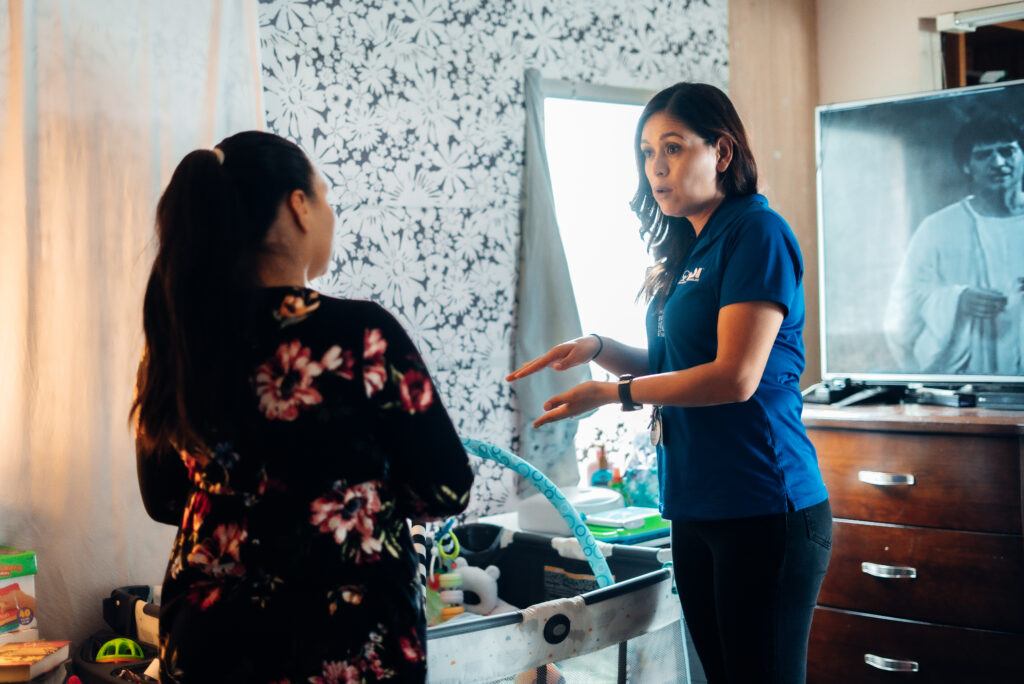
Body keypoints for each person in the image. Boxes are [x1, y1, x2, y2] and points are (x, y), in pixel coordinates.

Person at [507, 83, 831, 683]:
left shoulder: (756, 234)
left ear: (723, 152)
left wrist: (612, 396)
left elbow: (734, 379)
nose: (657, 167)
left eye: (675, 148)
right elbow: (670, 367)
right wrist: (599, 349)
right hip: (695, 504)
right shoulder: (689, 247)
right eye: (648, 152)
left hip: (763, 506)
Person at [131, 131, 473, 683]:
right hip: (348, 639)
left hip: (210, 642)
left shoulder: (179, 340)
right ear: (298, 207)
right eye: (325, 196)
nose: (329, 212)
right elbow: (445, 488)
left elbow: (166, 497)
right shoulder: (362, 333)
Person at [884, 113, 1024, 375]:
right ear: (967, 166)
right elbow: (902, 308)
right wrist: (957, 300)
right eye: (984, 155)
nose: (998, 162)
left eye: (1007, 151)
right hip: (967, 386)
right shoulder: (938, 228)